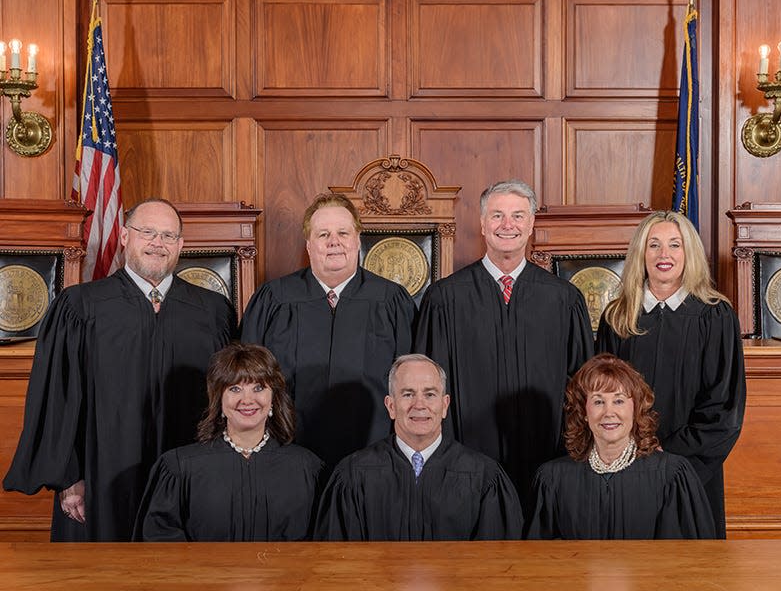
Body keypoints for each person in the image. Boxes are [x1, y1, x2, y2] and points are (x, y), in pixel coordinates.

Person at [3, 198, 237, 541]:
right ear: (125, 237)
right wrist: (70, 478)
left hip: (190, 474)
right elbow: (58, 398)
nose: (157, 243)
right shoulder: (80, 306)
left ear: (181, 245)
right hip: (101, 476)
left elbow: (229, 397)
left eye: (168, 236)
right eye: (147, 232)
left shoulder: (213, 311)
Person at [414, 180, 594, 498]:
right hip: (465, 461)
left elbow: (581, 386)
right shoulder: (445, 298)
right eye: (497, 215)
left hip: (547, 458)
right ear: (483, 225)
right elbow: (427, 388)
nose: (507, 225)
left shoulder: (564, 300)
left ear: (531, 225)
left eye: (518, 216)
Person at [596, 210, 746, 538]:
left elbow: (724, 406)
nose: (664, 255)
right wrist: (628, 447)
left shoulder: (714, 316)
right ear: (640, 254)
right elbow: (602, 396)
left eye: (675, 245)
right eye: (654, 245)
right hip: (626, 463)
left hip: (691, 469)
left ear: (689, 253)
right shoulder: (618, 317)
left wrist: (671, 452)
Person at [240, 192, 416, 472]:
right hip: (286, 453)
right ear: (309, 245)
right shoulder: (274, 299)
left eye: (343, 233)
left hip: (374, 454)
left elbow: (411, 383)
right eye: (323, 235)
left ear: (358, 240)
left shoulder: (391, 301)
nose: (334, 242)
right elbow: (245, 380)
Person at [314, 354, 522, 540]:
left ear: (445, 405)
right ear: (391, 406)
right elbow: (337, 569)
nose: (419, 405)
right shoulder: (353, 475)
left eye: (430, 394)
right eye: (408, 394)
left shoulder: (484, 477)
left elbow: (496, 569)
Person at [134, 343, 323, 541]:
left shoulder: (306, 468)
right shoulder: (180, 468)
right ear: (219, 399)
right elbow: (159, 544)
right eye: (235, 388)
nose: (247, 400)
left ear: (273, 398)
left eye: (258, 387)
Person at [525, 353, 716, 539]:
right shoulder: (553, 480)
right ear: (584, 412)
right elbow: (541, 561)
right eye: (598, 401)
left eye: (619, 400)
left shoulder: (671, 476)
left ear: (636, 408)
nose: (609, 412)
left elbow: (689, 561)